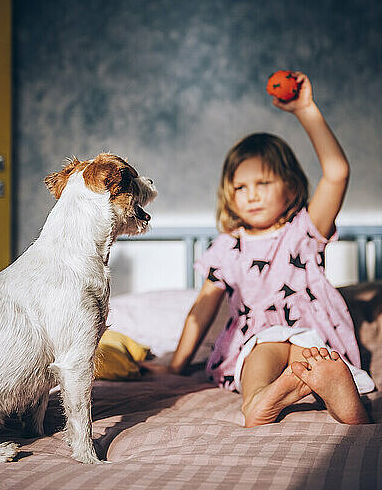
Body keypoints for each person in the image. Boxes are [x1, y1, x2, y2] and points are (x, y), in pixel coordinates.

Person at [143, 72, 374, 426]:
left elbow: (337, 172)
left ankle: (338, 397)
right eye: (240, 187)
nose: (251, 194)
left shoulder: (305, 231)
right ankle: (260, 399)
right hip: (257, 339)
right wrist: (175, 365)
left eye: (263, 183)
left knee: (309, 354)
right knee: (263, 351)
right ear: (229, 194)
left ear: (291, 185)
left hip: (310, 332)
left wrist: (306, 110)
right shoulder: (226, 247)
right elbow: (203, 309)